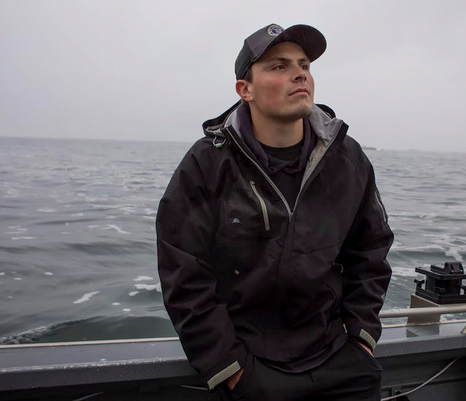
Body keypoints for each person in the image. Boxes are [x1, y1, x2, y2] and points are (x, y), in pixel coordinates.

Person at [156, 23, 394, 401]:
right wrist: (230, 369)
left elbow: (370, 252)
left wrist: (362, 339)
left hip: (341, 361)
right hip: (253, 371)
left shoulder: (347, 159)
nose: (300, 73)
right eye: (278, 66)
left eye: (304, 65)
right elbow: (184, 274)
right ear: (244, 90)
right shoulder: (207, 164)